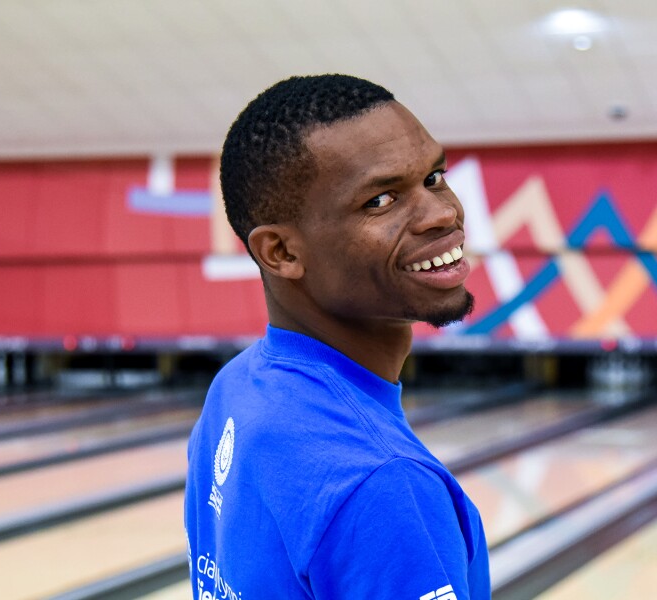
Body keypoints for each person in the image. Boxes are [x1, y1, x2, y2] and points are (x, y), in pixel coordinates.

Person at [184, 74, 490, 599]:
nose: (443, 214)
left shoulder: (237, 388)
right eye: (381, 200)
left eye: (435, 177)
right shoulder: (383, 487)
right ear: (281, 252)